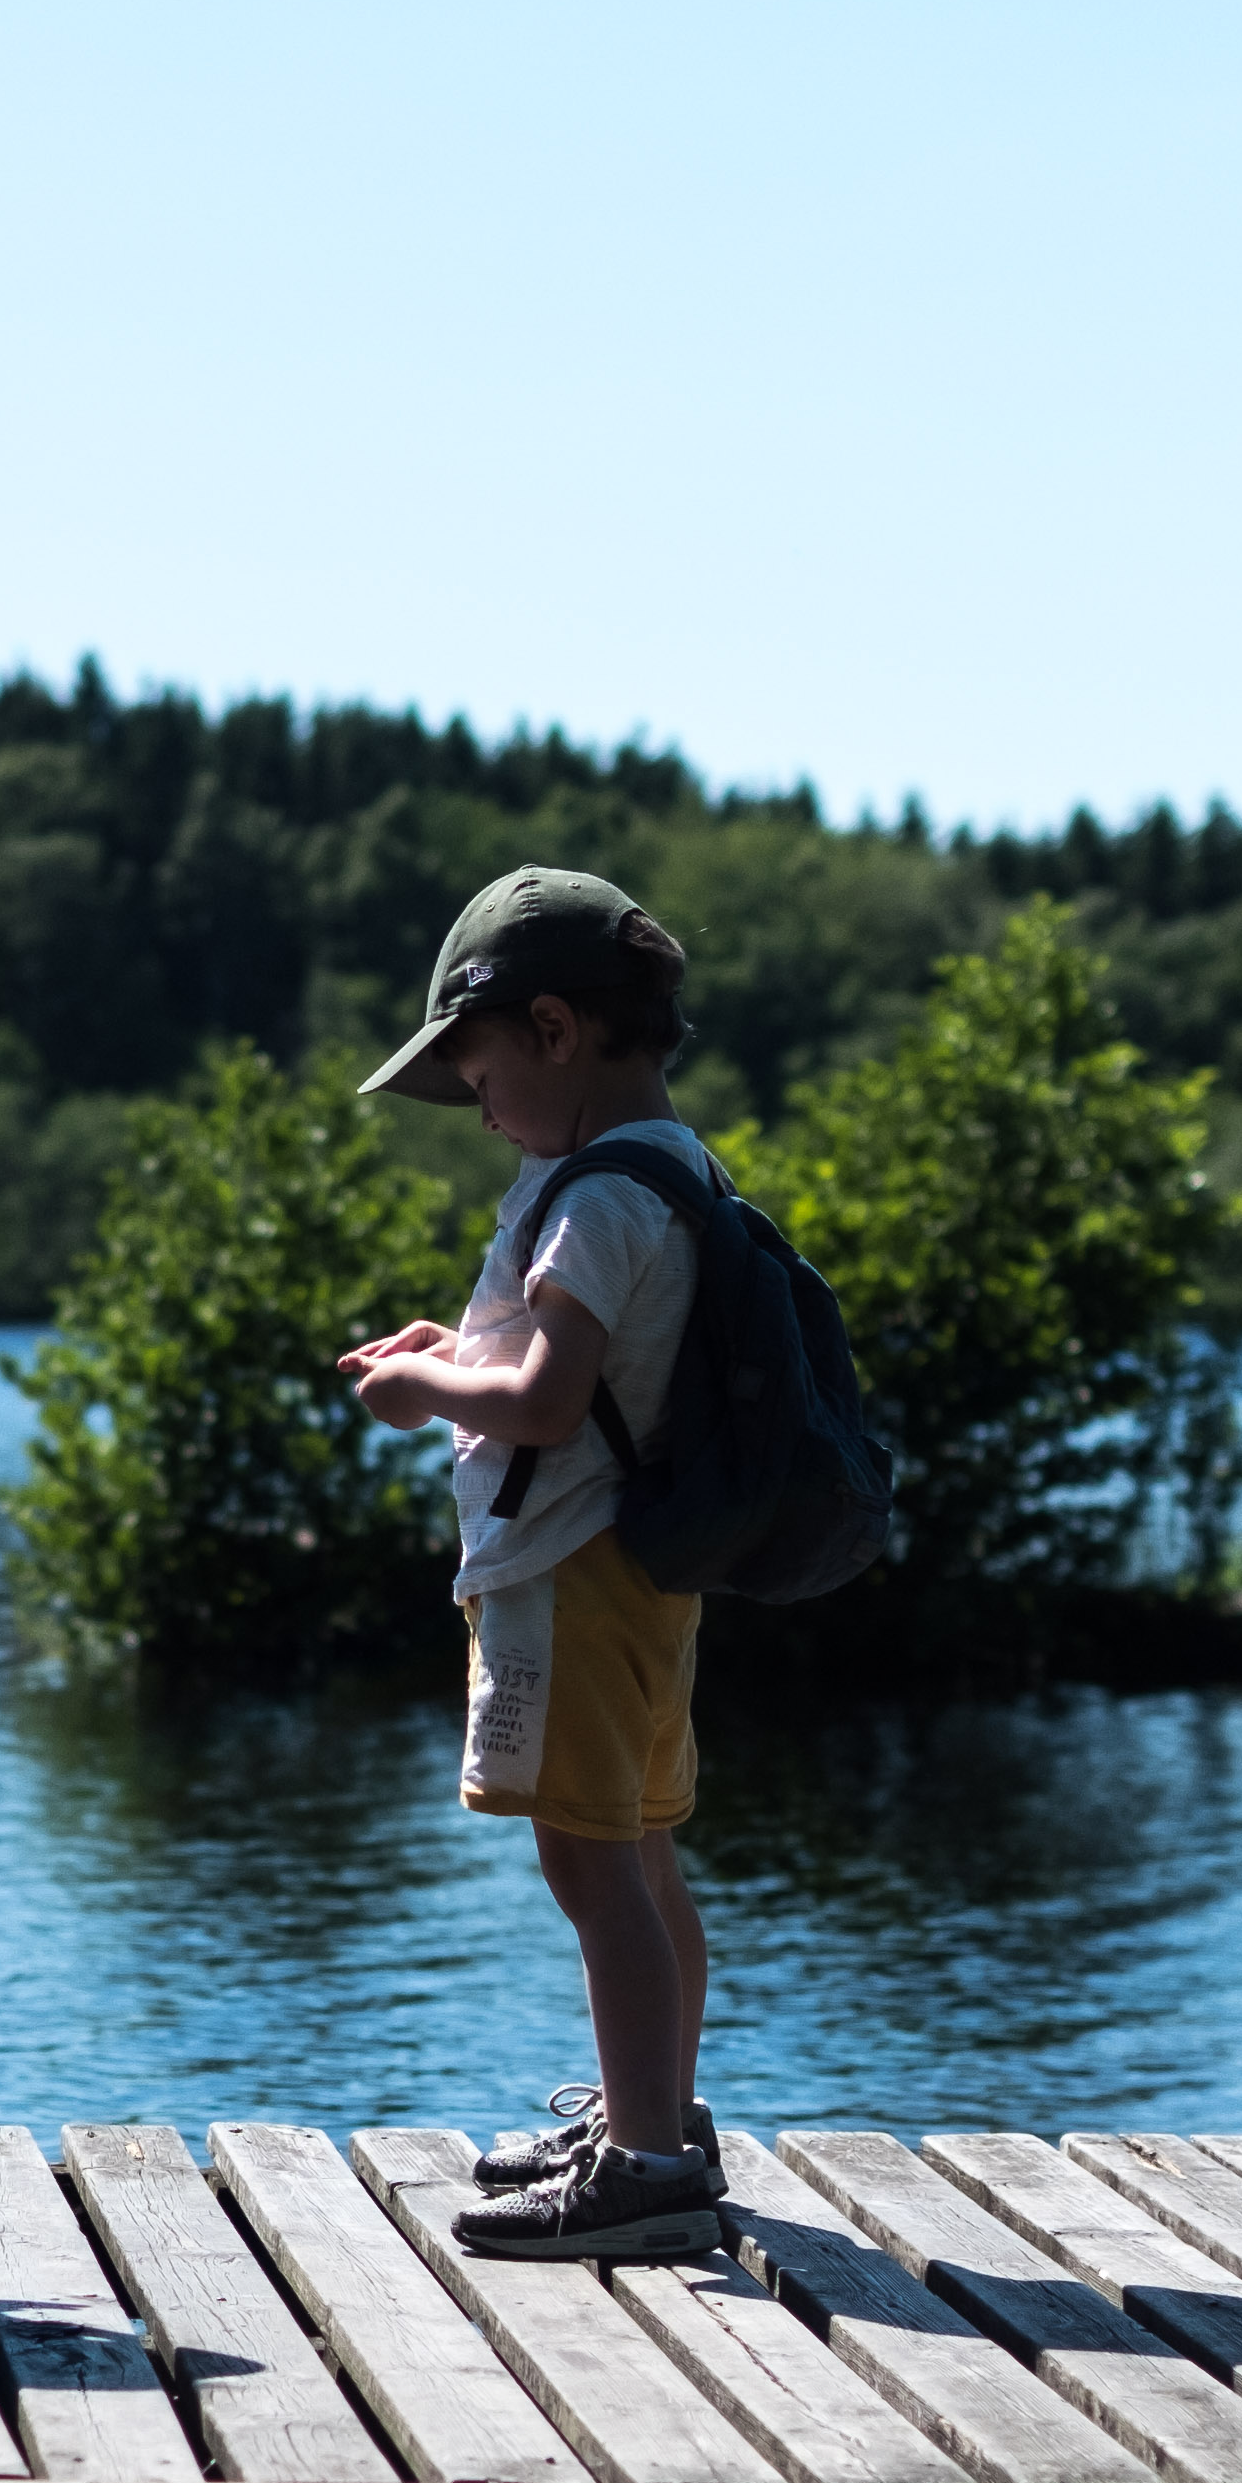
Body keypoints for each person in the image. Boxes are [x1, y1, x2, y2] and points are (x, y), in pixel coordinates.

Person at [330, 865, 736, 2263]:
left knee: (590, 1867)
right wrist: (451, 1354)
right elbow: (582, 1366)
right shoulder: (673, 1171)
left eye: (480, 1075)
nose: (480, 1111)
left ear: (555, 1031)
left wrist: (424, 1394)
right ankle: (660, 2115)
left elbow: (556, 1402)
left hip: (569, 1568)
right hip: (639, 1571)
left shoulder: (595, 1202)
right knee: (645, 1853)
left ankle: (645, 2172)